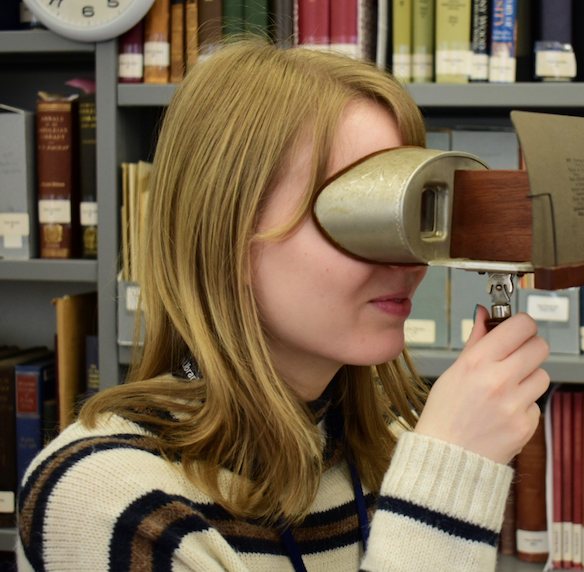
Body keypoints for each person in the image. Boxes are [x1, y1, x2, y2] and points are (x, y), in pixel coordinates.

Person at [17, 39, 550, 571]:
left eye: (410, 210)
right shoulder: (105, 502)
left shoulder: (393, 449)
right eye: (364, 212)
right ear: (227, 228)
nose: (410, 261)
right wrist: (447, 485)